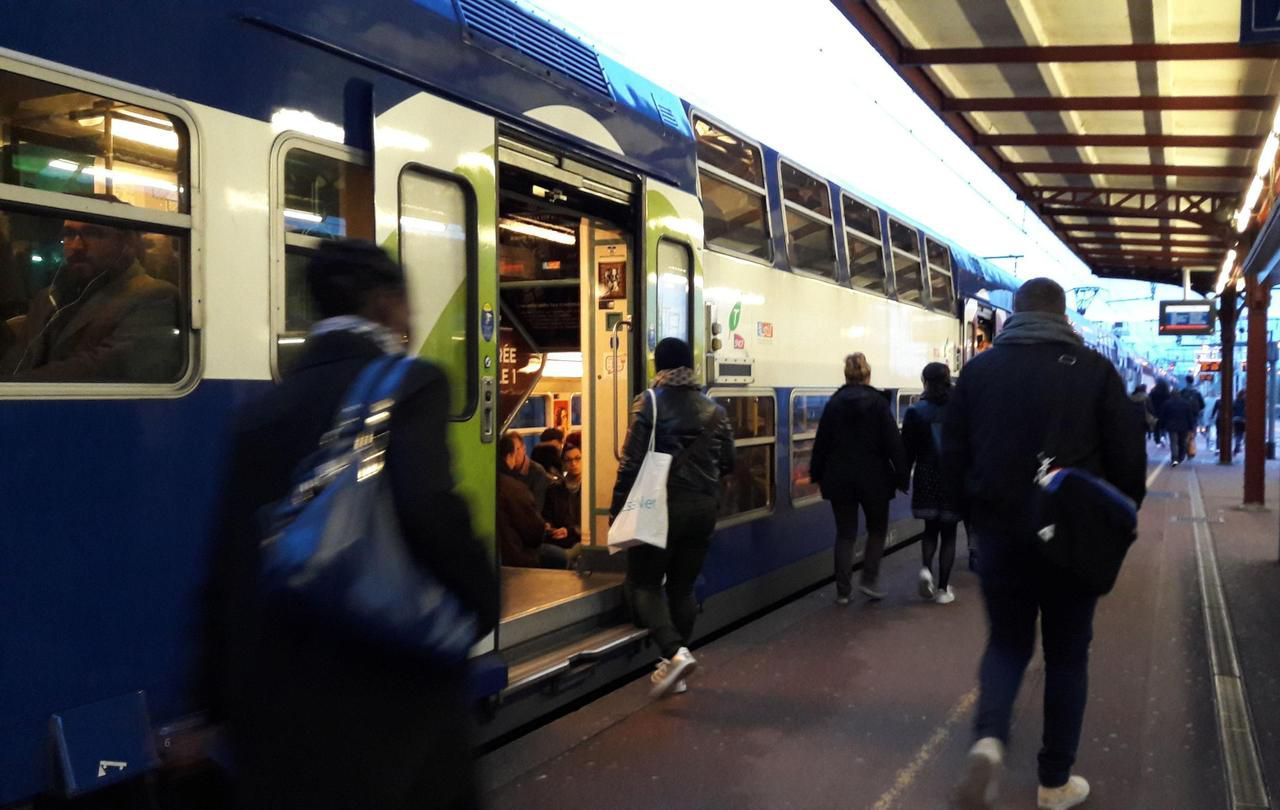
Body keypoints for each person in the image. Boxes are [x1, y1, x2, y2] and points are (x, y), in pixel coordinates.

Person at [203, 240, 498, 810]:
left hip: (283, 691)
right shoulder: (410, 384)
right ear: (386, 304)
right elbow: (430, 506)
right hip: (392, 682)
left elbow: (229, 564)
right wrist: (481, 600)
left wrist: (217, 699)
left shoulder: (262, 411)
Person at [944, 278, 1145, 810]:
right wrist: (1112, 520)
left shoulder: (979, 372)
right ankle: (1054, 782)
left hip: (1001, 535)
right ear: (1063, 318)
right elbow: (1129, 462)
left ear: (1012, 315)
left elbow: (952, 460)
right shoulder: (1097, 373)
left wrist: (978, 517)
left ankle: (988, 739)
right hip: (1072, 538)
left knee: (1007, 643)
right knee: (1067, 654)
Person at [610, 337, 734, 698]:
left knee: (644, 584)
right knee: (682, 586)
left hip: (660, 507)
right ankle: (675, 672)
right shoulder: (715, 410)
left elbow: (631, 463)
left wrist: (618, 513)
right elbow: (729, 463)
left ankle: (674, 653)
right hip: (703, 509)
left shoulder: (648, 403)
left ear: (659, 367)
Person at [0, 212, 182, 382]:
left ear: (127, 243)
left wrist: (14, 387)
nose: (76, 245)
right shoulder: (48, 298)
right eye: (69, 234)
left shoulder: (155, 296)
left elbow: (100, 368)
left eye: (94, 234)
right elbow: (17, 358)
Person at [810, 352, 908, 603]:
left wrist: (816, 473)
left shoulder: (834, 404)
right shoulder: (878, 403)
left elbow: (821, 443)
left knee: (845, 533)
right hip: (874, 478)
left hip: (840, 478)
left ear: (846, 375)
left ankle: (843, 592)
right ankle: (869, 579)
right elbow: (892, 443)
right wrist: (901, 474)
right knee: (877, 529)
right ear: (868, 375)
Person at [901, 362, 961, 605]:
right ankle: (944, 589)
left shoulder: (916, 411)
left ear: (924, 380)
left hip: (926, 474)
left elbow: (907, 450)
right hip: (953, 476)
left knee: (930, 529)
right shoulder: (960, 409)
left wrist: (903, 477)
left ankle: (926, 569)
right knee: (949, 534)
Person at [498, 431, 574, 568]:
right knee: (559, 557)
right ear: (510, 455)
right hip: (517, 550)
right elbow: (534, 530)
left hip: (506, 545)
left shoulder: (536, 473)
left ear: (524, 449)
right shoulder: (515, 488)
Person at [544, 443, 584, 547]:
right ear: (563, 464)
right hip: (559, 539)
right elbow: (547, 516)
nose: (573, 463)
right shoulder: (554, 489)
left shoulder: (589, 489)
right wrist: (548, 526)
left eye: (577, 458)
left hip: (581, 539)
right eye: (569, 460)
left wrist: (569, 531)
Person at [1160, 384, 1196, 467]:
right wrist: (1191, 427)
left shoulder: (1167, 403)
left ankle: (1174, 458)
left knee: (1174, 442)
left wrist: (1162, 426)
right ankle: (1181, 457)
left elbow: (1163, 416)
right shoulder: (1185, 403)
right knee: (1182, 442)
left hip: (1171, 426)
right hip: (1184, 426)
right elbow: (1189, 416)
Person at [1148, 379, 1170, 446]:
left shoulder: (1153, 392)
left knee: (1156, 427)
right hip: (1165, 412)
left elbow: (1149, 401)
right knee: (1163, 426)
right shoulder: (1167, 392)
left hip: (1155, 412)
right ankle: (1163, 436)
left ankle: (1157, 441)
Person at [1233, 389, 1247, 455]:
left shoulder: (1236, 401)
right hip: (1243, 420)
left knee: (1238, 434)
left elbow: (1233, 410)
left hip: (1236, 420)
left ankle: (1237, 446)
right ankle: (1238, 446)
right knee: (1241, 434)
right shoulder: (1246, 402)